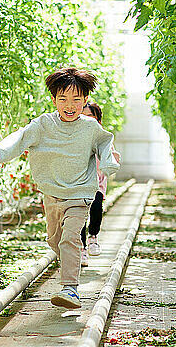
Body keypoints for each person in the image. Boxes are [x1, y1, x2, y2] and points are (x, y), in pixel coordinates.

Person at [0, 68, 120, 309]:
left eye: (77, 100)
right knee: (55, 240)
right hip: (52, 193)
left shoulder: (90, 128)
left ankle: (70, 289)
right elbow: (20, 137)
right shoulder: (43, 125)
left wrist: (110, 162)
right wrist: (0, 152)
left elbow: (105, 143)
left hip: (80, 194)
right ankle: (68, 262)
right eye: (63, 99)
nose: (70, 105)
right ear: (54, 100)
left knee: (70, 238)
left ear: (85, 101)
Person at [79, 102, 121, 267]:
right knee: (79, 215)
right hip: (78, 183)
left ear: (98, 119)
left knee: (96, 208)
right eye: (84, 116)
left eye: (91, 116)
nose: (87, 119)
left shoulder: (103, 136)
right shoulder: (75, 134)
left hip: (97, 182)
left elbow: (111, 155)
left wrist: (112, 158)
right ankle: (82, 248)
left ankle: (93, 237)